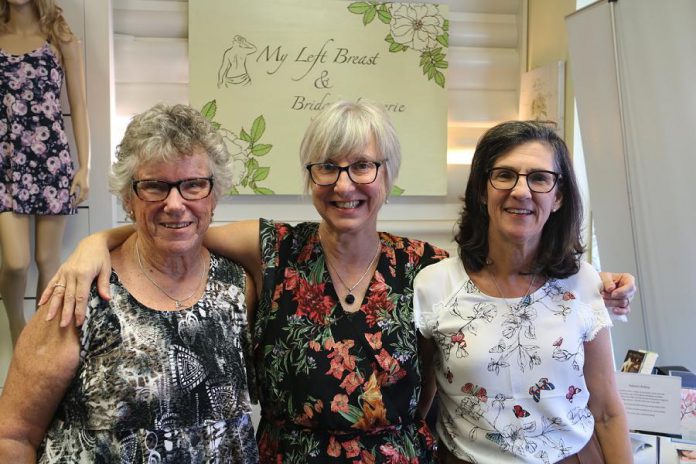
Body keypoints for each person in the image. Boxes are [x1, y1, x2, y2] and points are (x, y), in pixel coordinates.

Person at [39, 101, 636, 463]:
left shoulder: (426, 267)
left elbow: (507, 291)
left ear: (387, 175)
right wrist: (93, 244)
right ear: (310, 176)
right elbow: (177, 223)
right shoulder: (272, 247)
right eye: (328, 166)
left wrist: (592, 284)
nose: (344, 183)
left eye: (362, 166)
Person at [0, 104, 259, 463]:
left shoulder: (237, 288)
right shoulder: (81, 292)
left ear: (214, 195)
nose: (175, 204)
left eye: (194, 185)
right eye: (154, 186)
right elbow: (14, 434)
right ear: (127, 197)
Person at [413, 121, 632, 463]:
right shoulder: (434, 286)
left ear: (558, 197)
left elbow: (606, 411)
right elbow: (420, 405)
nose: (521, 191)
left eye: (539, 178)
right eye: (504, 175)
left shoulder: (584, 283)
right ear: (482, 191)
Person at [0, 0, 90, 346]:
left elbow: (79, 106)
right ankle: (13, 325)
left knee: (46, 259)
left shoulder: (60, 36)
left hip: (51, 160)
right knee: (16, 263)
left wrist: (85, 165)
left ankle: (40, 338)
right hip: (7, 164)